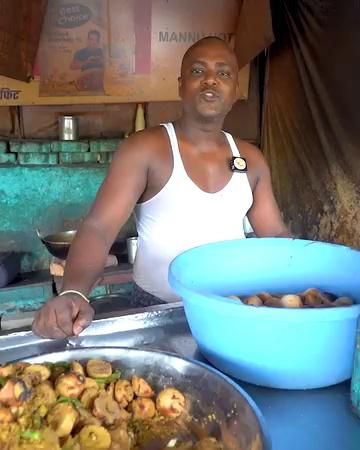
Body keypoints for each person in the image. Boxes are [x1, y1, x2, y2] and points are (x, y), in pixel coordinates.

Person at [32, 37, 291, 339]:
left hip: (230, 308)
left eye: (223, 73)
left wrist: (316, 274)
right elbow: (99, 227)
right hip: (156, 310)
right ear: (181, 85)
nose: (210, 80)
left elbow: (275, 236)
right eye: (198, 71)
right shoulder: (145, 149)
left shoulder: (252, 159)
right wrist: (74, 292)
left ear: (235, 90)